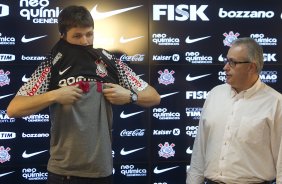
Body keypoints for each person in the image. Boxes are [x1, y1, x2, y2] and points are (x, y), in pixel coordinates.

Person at [7, 5, 160, 184]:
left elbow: (154, 96)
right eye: (77, 36)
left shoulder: (108, 60)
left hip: (101, 172)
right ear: (62, 36)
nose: (85, 41)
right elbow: (13, 109)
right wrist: (54, 95)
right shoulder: (52, 64)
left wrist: (130, 96)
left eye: (89, 34)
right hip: (63, 173)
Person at [186, 37, 282, 184]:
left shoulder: (275, 103)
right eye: (227, 61)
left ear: (252, 67)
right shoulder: (214, 94)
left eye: (233, 62)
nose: (225, 67)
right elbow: (200, 148)